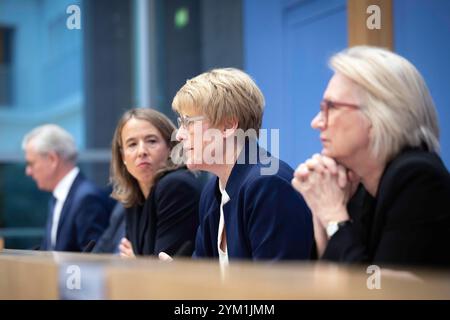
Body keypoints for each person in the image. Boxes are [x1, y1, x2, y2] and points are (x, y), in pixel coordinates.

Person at [291, 46, 450, 267]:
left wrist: (332, 215)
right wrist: (320, 211)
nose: (316, 122)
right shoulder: (361, 185)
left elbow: (378, 292)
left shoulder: (418, 179)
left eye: (331, 108)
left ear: (378, 114)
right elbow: (326, 288)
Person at [170, 68, 313, 264]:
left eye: (188, 122)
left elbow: (277, 290)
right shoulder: (212, 191)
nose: (179, 134)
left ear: (228, 126)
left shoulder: (268, 184)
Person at [111, 108, 200, 258]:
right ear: (123, 156)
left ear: (171, 147)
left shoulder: (175, 186)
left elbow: (162, 267)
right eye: (132, 144)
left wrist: (136, 262)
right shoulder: (135, 195)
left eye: (151, 141)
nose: (142, 151)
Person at [22, 124, 111, 252]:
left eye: (31, 163)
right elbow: (50, 250)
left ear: (52, 159)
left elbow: (94, 259)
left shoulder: (87, 198)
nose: (28, 171)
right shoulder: (58, 197)